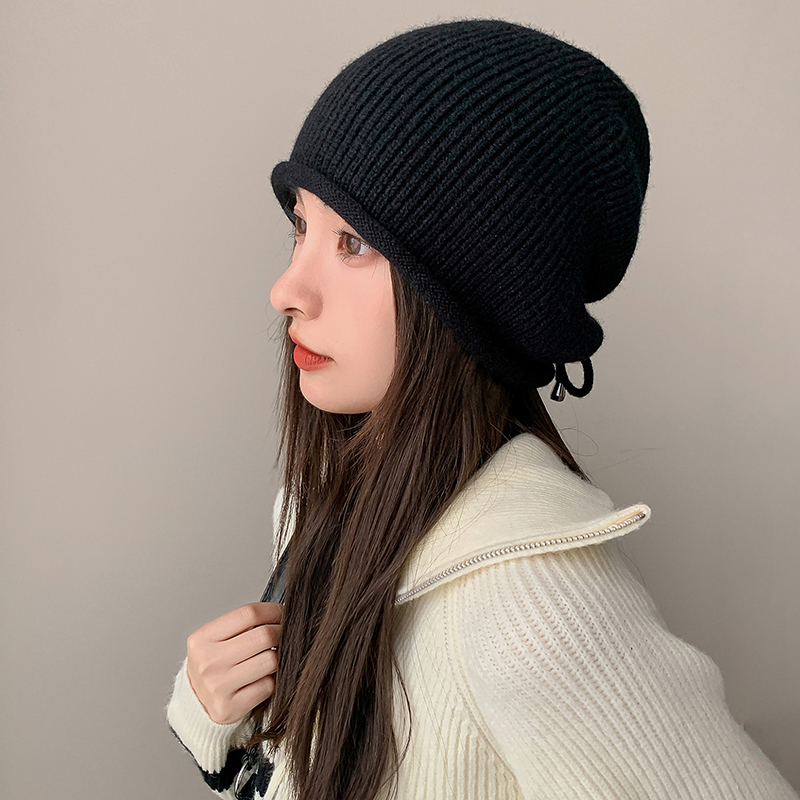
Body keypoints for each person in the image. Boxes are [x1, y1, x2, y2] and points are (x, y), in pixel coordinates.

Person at [165, 18, 799, 800]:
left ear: (471, 296)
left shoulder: (530, 601)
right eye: (301, 227)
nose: (286, 289)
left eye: (353, 242)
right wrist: (214, 718)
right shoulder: (328, 498)